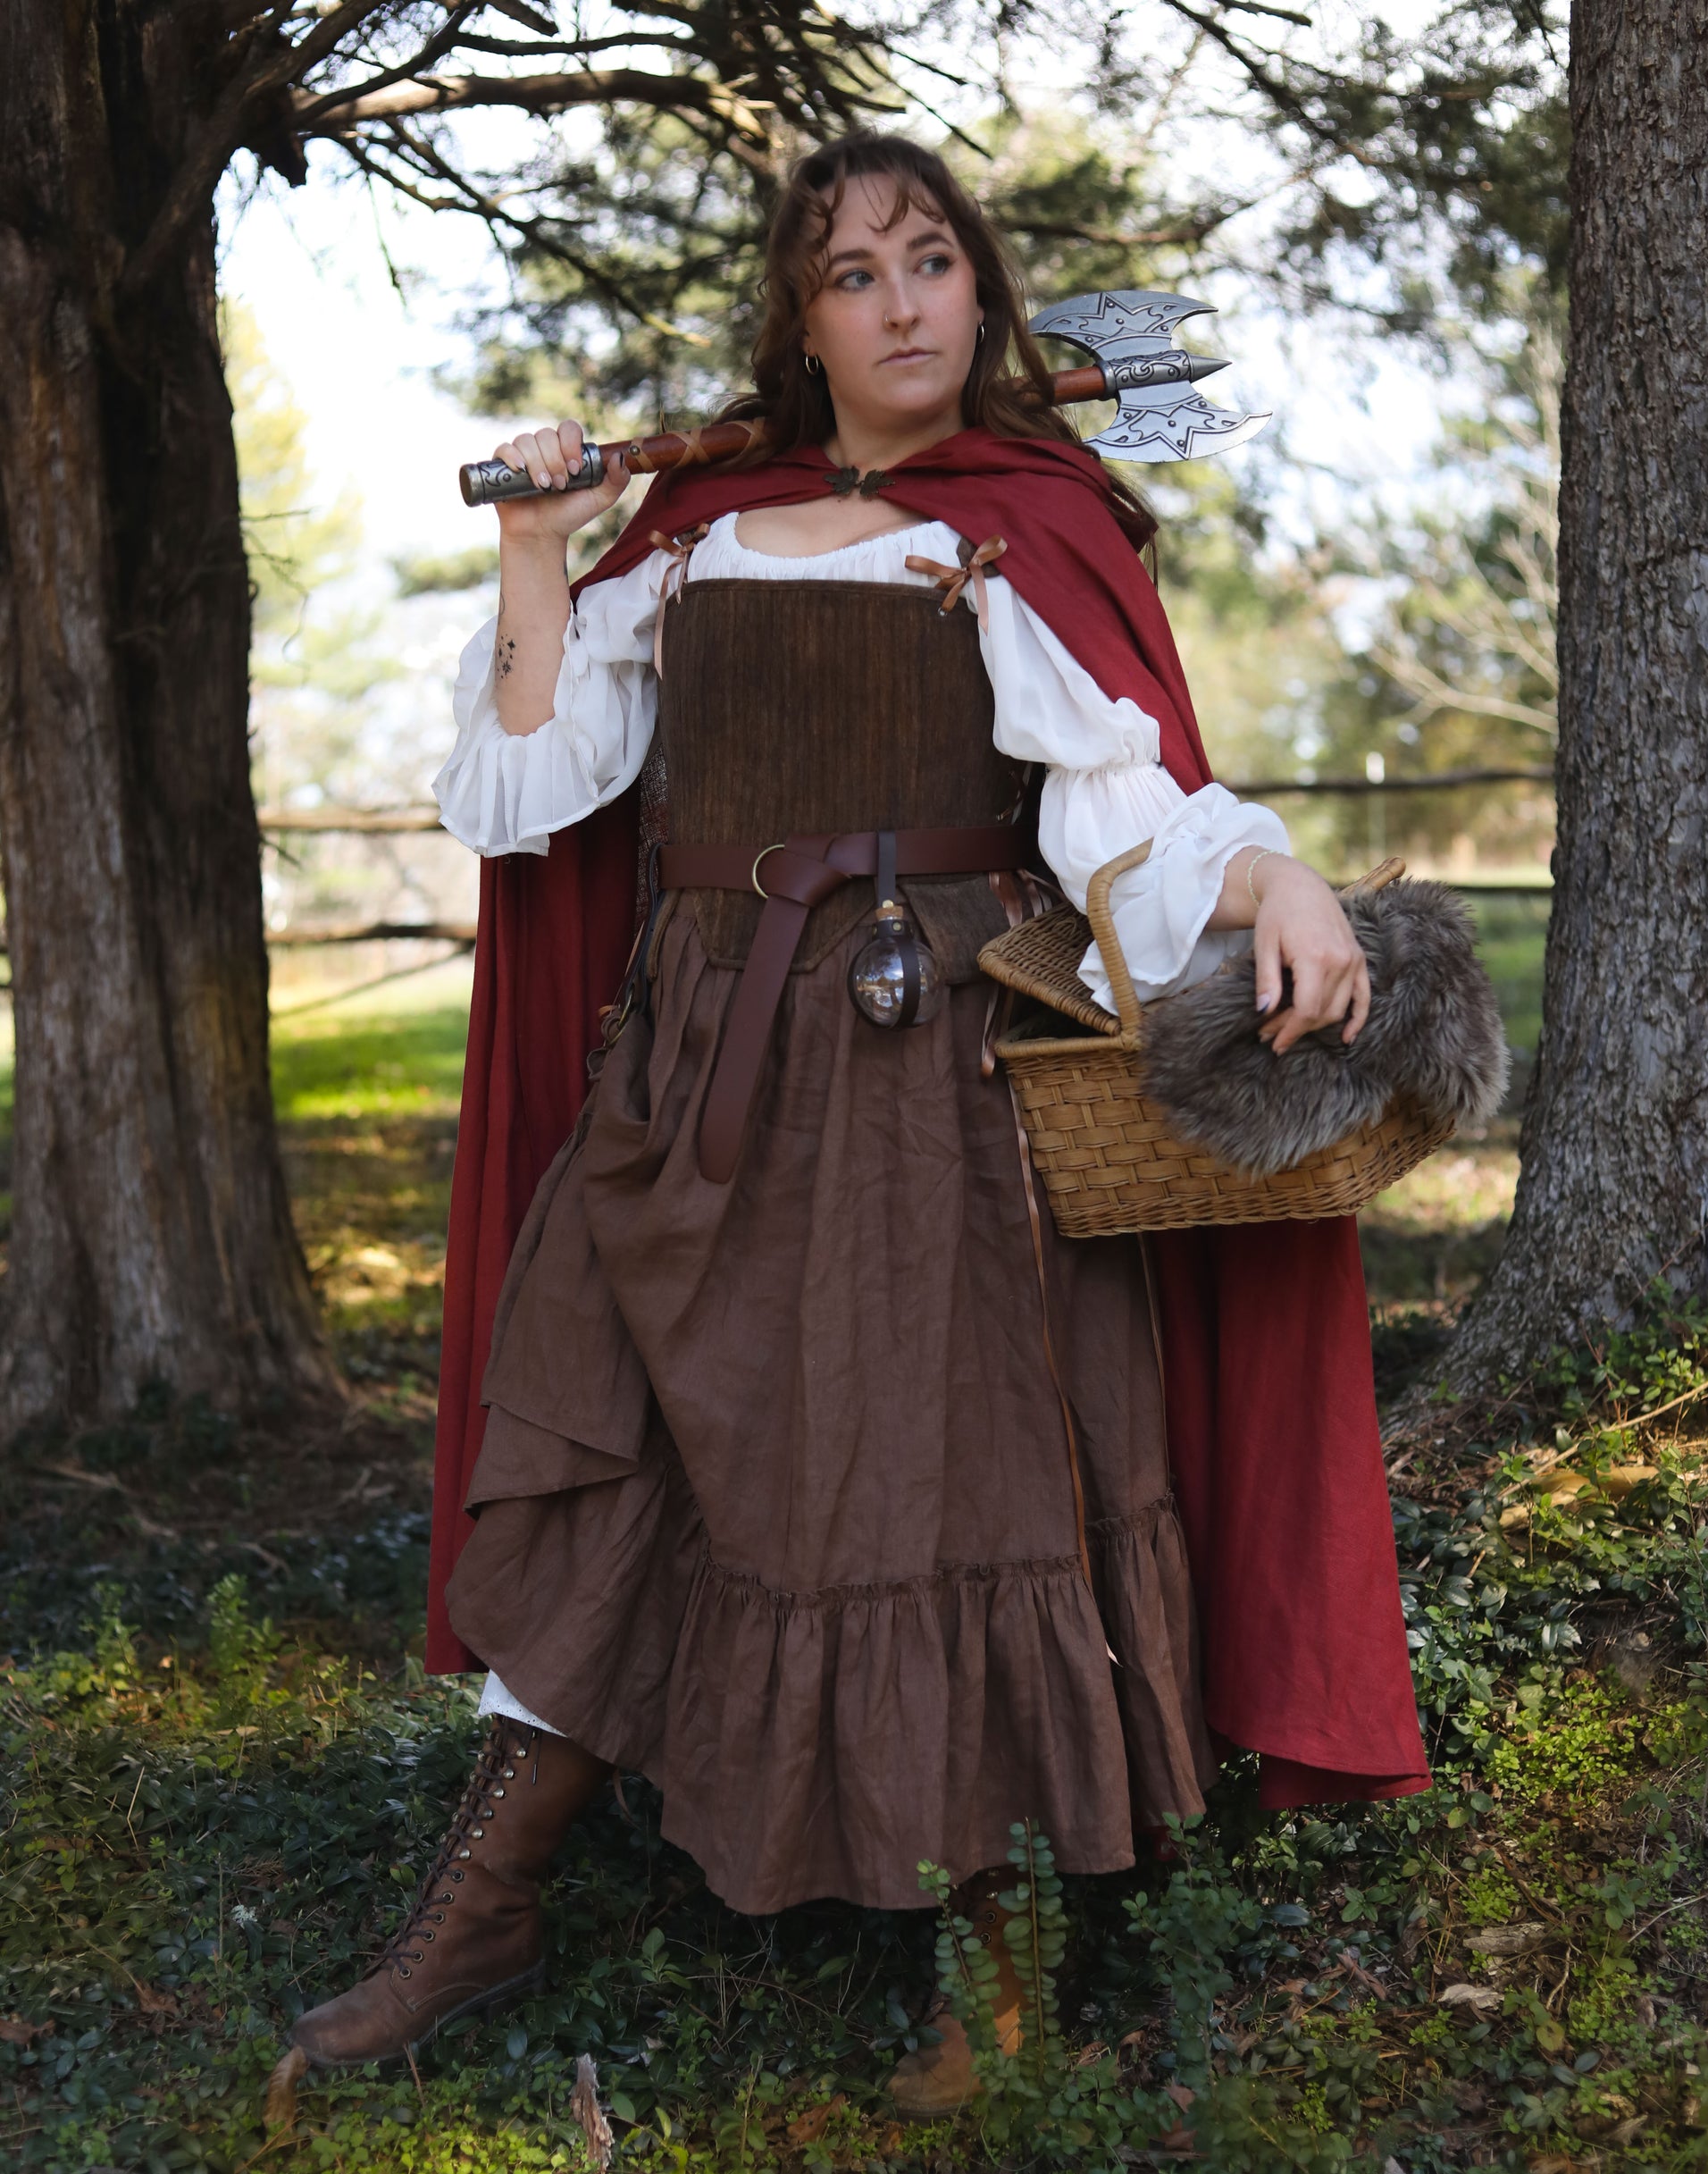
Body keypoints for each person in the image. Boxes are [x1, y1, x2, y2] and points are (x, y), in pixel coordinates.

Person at [289, 131, 1427, 2104]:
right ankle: (482, 1908)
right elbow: (525, 796)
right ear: (799, 323)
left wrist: (1280, 886)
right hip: (702, 1058)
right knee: (614, 1425)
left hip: (931, 1076)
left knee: (954, 1467)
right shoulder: (696, 529)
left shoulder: (1023, 520)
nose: (903, 305)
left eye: (930, 264)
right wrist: (539, 547)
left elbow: (1130, 811)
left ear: (980, 291)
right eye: (854, 277)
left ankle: (984, 1943)